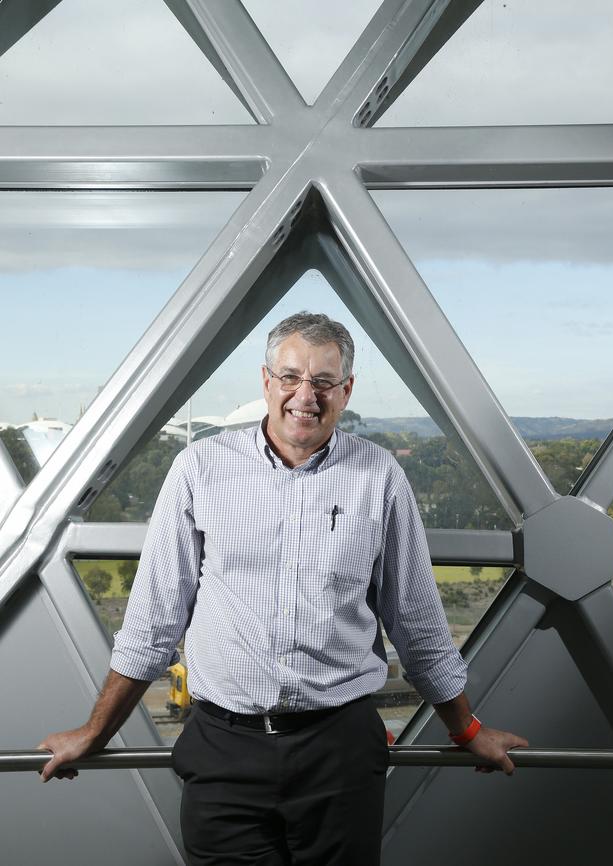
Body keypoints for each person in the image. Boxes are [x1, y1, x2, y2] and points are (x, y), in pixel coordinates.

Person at [39, 312, 527, 865]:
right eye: (291, 376)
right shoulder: (200, 468)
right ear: (266, 381)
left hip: (339, 750)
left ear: (346, 391)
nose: (306, 395)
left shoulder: (381, 476)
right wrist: (94, 732)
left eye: (323, 381)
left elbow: (416, 625)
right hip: (224, 749)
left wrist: (467, 730)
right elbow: (154, 623)